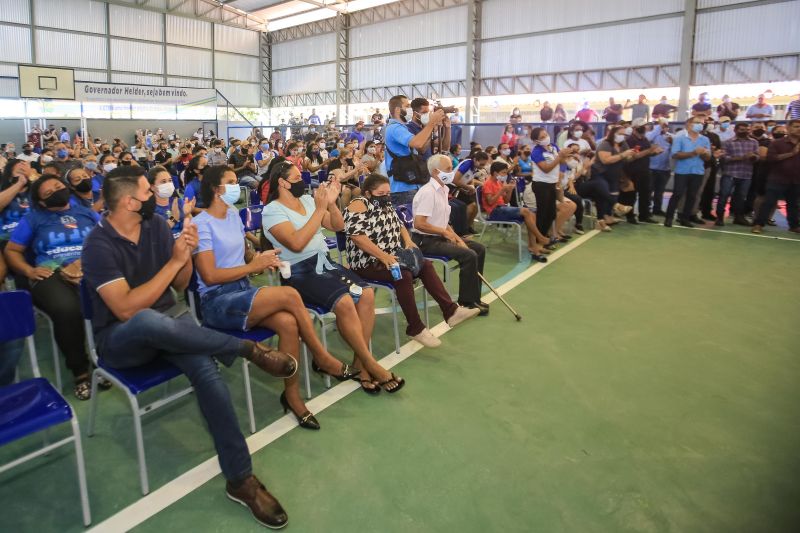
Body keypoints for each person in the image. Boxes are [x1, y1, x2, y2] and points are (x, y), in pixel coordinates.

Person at [81, 165, 296, 527]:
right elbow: (126, 308)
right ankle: (243, 349)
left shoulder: (156, 228)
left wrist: (183, 255)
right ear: (131, 202)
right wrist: (177, 263)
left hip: (173, 324)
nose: (157, 196)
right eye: (150, 192)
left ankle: (241, 479)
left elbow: (179, 287)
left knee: (208, 374)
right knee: (148, 318)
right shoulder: (97, 245)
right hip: (121, 339)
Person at [260, 164, 403, 393]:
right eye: (296, 177)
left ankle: (361, 363)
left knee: (365, 294)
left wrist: (332, 203)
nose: (302, 181)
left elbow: (338, 225)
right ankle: (371, 364)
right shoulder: (272, 211)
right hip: (299, 271)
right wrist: (319, 209)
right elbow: (296, 244)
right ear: (282, 183)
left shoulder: (307, 200)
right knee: (346, 301)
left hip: (324, 263)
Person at [345, 173, 479, 347]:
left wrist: (408, 242)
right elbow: (358, 237)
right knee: (403, 275)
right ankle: (415, 328)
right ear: (368, 193)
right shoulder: (358, 205)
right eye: (381, 193)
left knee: (425, 265)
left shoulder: (384, 203)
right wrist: (383, 256)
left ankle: (451, 311)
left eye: (388, 193)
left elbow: (399, 225)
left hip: (393, 255)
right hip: (367, 262)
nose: (386, 196)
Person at [4, 174, 103, 400]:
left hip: (88, 266)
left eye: (58, 187)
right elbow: (12, 250)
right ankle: (80, 371)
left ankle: (105, 359)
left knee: (108, 296)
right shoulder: (33, 218)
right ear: (41, 202)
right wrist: (29, 271)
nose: (56, 192)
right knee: (67, 309)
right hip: (50, 271)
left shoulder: (86, 212)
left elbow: (106, 236)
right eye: (48, 193)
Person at [413, 155, 488, 315]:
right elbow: (419, 223)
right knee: (468, 255)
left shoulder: (444, 189)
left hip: (440, 236)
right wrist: (445, 233)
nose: (452, 173)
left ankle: (474, 297)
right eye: (448, 169)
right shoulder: (428, 192)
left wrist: (456, 236)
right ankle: (467, 302)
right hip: (426, 241)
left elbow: (443, 220)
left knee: (479, 249)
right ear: (435, 172)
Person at [384, 95, 445, 206]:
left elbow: (420, 147)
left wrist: (432, 126)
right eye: (407, 106)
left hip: (411, 182)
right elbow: (417, 143)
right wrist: (431, 123)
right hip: (403, 188)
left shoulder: (401, 128)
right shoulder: (394, 128)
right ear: (398, 110)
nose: (410, 109)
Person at [482, 161, 550, 259]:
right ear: (496, 173)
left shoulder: (498, 182)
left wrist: (510, 190)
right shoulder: (487, 184)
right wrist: (502, 190)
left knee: (531, 213)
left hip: (503, 208)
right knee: (526, 211)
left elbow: (506, 200)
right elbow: (490, 202)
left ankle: (533, 246)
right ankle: (540, 238)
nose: (505, 175)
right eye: (503, 173)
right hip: (494, 212)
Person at [752, 119, 800, 234]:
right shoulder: (777, 143)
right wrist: (792, 153)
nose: (798, 129)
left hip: (796, 180)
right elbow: (771, 159)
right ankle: (758, 224)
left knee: (794, 204)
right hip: (778, 178)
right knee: (768, 202)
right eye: (796, 126)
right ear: (788, 128)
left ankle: (794, 226)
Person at [665, 117, 713, 227]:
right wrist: (693, 153)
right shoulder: (680, 138)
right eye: (697, 122)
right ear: (689, 124)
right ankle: (669, 218)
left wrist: (705, 154)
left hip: (698, 171)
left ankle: (685, 219)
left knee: (692, 195)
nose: (700, 125)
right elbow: (675, 154)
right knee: (677, 194)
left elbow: (708, 158)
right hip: (682, 171)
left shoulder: (704, 139)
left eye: (702, 123)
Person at [716, 122, 759, 226]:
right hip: (730, 173)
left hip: (746, 174)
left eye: (747, 130)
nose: (745, 132)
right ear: (735, 130)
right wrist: (742, 158)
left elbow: (757, 157)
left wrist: (753, 157)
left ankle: (738, 217)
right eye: (742, 130)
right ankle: (719, 217)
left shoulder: (754, 142)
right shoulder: (728, 142)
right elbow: (724, 158)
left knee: (741, 197)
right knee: (724, 195)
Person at [530, 127, 569, 239]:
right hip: (541, 184)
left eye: (546, 135)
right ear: (536, 141)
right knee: (543, 213)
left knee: (551, 213)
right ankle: (539, 239)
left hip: (552, 183)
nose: (546, 137)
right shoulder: (536, 152)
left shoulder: (553, 147)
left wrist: (564, 156)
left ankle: (545, 235)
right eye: (542, 137)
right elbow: (546, 168)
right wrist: (559, 157)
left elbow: (562, 162)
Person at [592, 125, 636, 222]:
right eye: (620, 134)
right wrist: (623, 155)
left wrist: (631, 155)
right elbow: (606, 160)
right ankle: (604, 216)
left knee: (614, 194)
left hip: (615, 174)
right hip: (601, 173)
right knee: (605, 194)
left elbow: (626, 158)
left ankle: (609, 214)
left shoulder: (623, 144)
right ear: (613, 134)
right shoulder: (605, 144)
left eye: (624, 134)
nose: (622, 136)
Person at [148, 165, 192, 238]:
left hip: (184, 240)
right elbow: (156, 233)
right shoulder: (149, 208)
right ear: (152, 187)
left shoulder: (178, 201)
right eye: (163, 182)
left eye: (170, 180)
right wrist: (174, 217)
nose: (168, 184)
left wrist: (188, 214)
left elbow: (190, 225)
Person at [645, 118, 673, 216]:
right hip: (652, 168)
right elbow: (648, 139)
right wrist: (659, 127)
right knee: (648, 190)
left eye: (666, 126)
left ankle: (657, 209)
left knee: (660, 191)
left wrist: (672, 142)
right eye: (663, 126)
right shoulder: (650, 135)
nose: (665, 128)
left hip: (665, 169)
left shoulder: (670, 137)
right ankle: (646, 210)